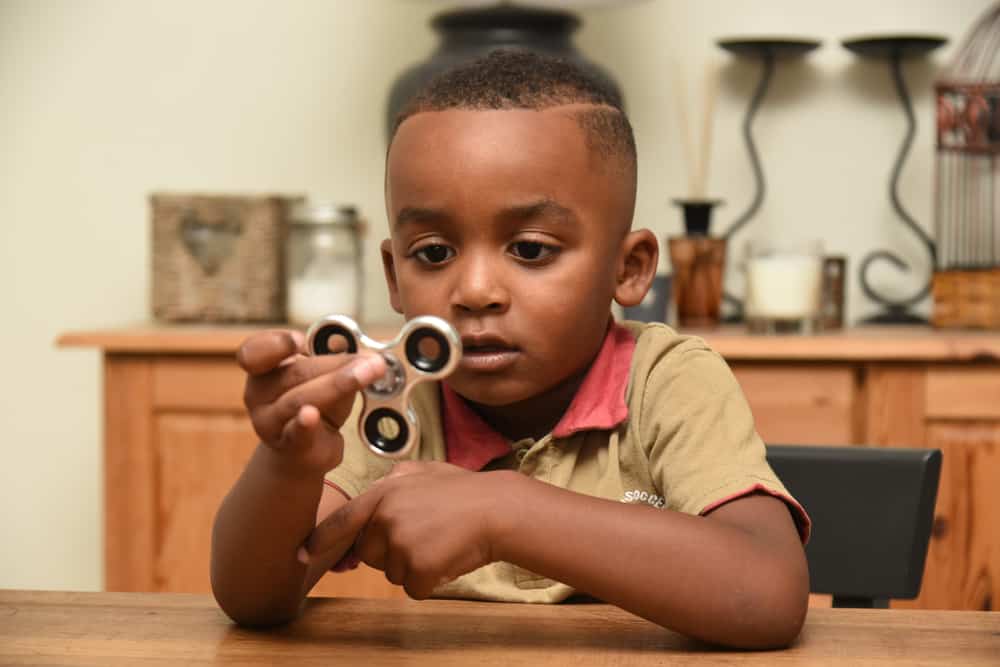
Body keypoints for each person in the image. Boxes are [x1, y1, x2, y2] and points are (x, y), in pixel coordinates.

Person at [211, 50, 811, 649]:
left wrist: (504, 512)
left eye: (529, 249)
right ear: (394, 278)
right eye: (434, 253)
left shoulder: (669, 380)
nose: (473, 292)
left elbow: (767, 594)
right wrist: (288, 463)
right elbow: (255, 601)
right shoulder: (392, 399)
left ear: (628, 269)